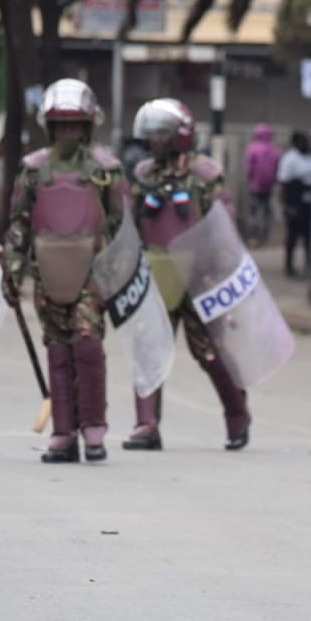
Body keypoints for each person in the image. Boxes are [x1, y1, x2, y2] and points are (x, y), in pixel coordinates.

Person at [1, 79, 126, 464]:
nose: (68, 132)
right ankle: (63, 433)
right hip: (48, 272)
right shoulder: (33, 170)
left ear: (88, 127)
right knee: (57, 348)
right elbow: (19, 224)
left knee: (87, 344)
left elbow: (122, 228)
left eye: (75, 125)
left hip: (91, 273)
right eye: (61, 125)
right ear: (50, 127)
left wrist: (121, 277)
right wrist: (12, 270)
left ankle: (93, 428)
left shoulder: (106, 171)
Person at [121, 97, 251, 452]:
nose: (155, 141)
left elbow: (224, 227)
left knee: (209, 353)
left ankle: (237, 415)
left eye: (162, 134)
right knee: (149, 348)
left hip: (200, 276)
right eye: (152, 135)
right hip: (158, 272)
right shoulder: (144, 173)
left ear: (181, 134)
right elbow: (130, 223)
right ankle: (146, 424)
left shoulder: (205, 173)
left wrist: (220, 273)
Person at [277, 131, 311, 278]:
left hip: (310, 200)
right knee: (292, 235)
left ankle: (310, 266)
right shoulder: (290, 159)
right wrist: (285, 204)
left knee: (309, 236)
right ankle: (289, 266)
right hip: (295, 200)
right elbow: (283, 183)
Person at [243, 122, 281, 247]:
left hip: (255, 185)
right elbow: (277, 169)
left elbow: (249, 168)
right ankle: (264, 237)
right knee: (265, 212)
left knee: (253, 211)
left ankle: (253, 237)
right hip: (268, 186)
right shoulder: (274, 150)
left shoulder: (252, 148)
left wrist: (250, 179)